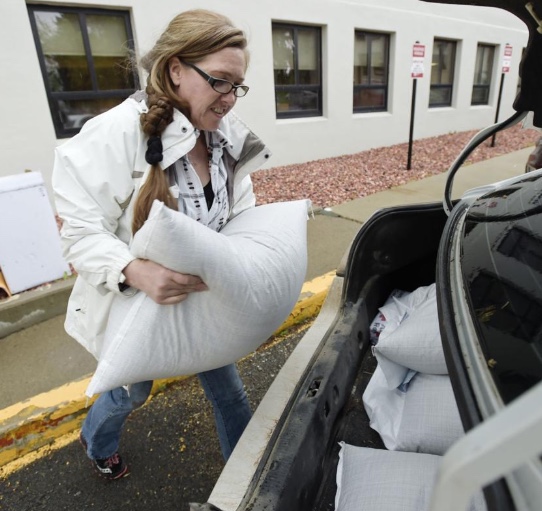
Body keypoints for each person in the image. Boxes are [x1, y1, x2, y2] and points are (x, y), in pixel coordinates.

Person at [52, 9, 271, 480]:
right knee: (131, 393)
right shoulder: (114, 135)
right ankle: (97, 441)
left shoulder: (226, 138)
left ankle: (247, 482)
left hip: (203, 301)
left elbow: (240, 213)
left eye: (238, 85)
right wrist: (136, 271)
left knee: (230, 393)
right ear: (176, 68)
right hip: (138, 305)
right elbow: (79, 232)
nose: (231, 98)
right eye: (220, 81)